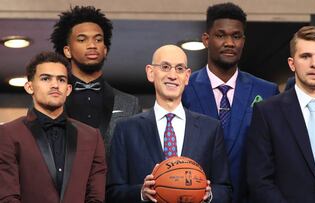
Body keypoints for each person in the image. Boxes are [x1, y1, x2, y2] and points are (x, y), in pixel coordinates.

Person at [247, 26, 315, 203]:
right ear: (292, 63)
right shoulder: (266, 112)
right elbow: (259, 180)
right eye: (305, 56)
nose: (314, 63)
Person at [106, 45, 232, 202]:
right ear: (151, 73)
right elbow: (112, 192)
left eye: (179, 69)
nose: (172, 75)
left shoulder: (211, 128)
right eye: (165, 67)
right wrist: (141, 193)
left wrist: (209, 195)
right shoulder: (126, 130)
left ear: (187, 77)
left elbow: (225, 189)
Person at [182, 2, 279, 202]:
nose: (229, 42)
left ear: (243, 40)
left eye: (236, 36)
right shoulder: (184, 88)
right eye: (220, 35)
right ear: (206, 40)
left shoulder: (267, 91)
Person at [0, 51, 106, 203]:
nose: (55, 85)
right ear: (30, 87)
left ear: (68, 89)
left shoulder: (91, 136)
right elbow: (7, 197)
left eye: (61, 80)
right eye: (45, 78)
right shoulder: (8, 133)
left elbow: (96, 197)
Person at [50, 6, 140, 154]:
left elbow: (135, 156)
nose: (92, 45)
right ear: (67, 50)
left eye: (98, 39)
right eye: (82, 39)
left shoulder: (130, 103)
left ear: (105, 50)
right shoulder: (49, 99)